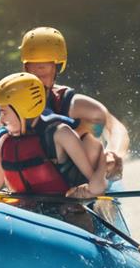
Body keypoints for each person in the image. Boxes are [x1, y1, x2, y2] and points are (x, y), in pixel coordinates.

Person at [0, 74, 107, 231]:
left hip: (64, 216)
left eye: (4, 112)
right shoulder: (5, 141)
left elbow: (95, 185)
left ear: (23, 108)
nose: (0, 120)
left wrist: (85, 190)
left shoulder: (60, 134)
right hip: (24, 216)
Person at [18, 27, 129, 179]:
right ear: (26, 68)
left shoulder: (69, 103)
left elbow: (115, 127)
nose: (39, 72)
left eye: (44, 71)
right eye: (34, 68)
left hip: (70, 179)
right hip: (31, 177)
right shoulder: (11, 101)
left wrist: (114, 153)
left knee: (90, 141)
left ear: (56, 68)